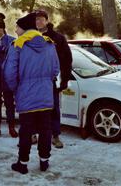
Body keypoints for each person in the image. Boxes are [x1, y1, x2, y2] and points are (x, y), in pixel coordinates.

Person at [3, 12, 60, 174]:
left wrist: (17, 89)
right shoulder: (49, 44)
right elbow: (55, 69)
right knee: (45, 129)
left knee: (26, 130)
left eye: (17, 27)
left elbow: (9, 73)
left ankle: (22, 163)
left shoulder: (18, 45)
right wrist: (46, 83)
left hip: (26, 94)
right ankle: (44, 161)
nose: (15, 30)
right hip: (46, 94)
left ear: (24, 28)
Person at [35, 10, 73, 149]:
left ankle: (55, 135)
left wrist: (64, 79)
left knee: (53, 108)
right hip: (34, 80)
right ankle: (33, 133)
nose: (38, 22)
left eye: (40, 19)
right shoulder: (30, 37)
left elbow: (67, 60)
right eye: (36, 19)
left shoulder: (58, 38)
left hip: (52, 80)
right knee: (35, 107)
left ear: (46, 20)